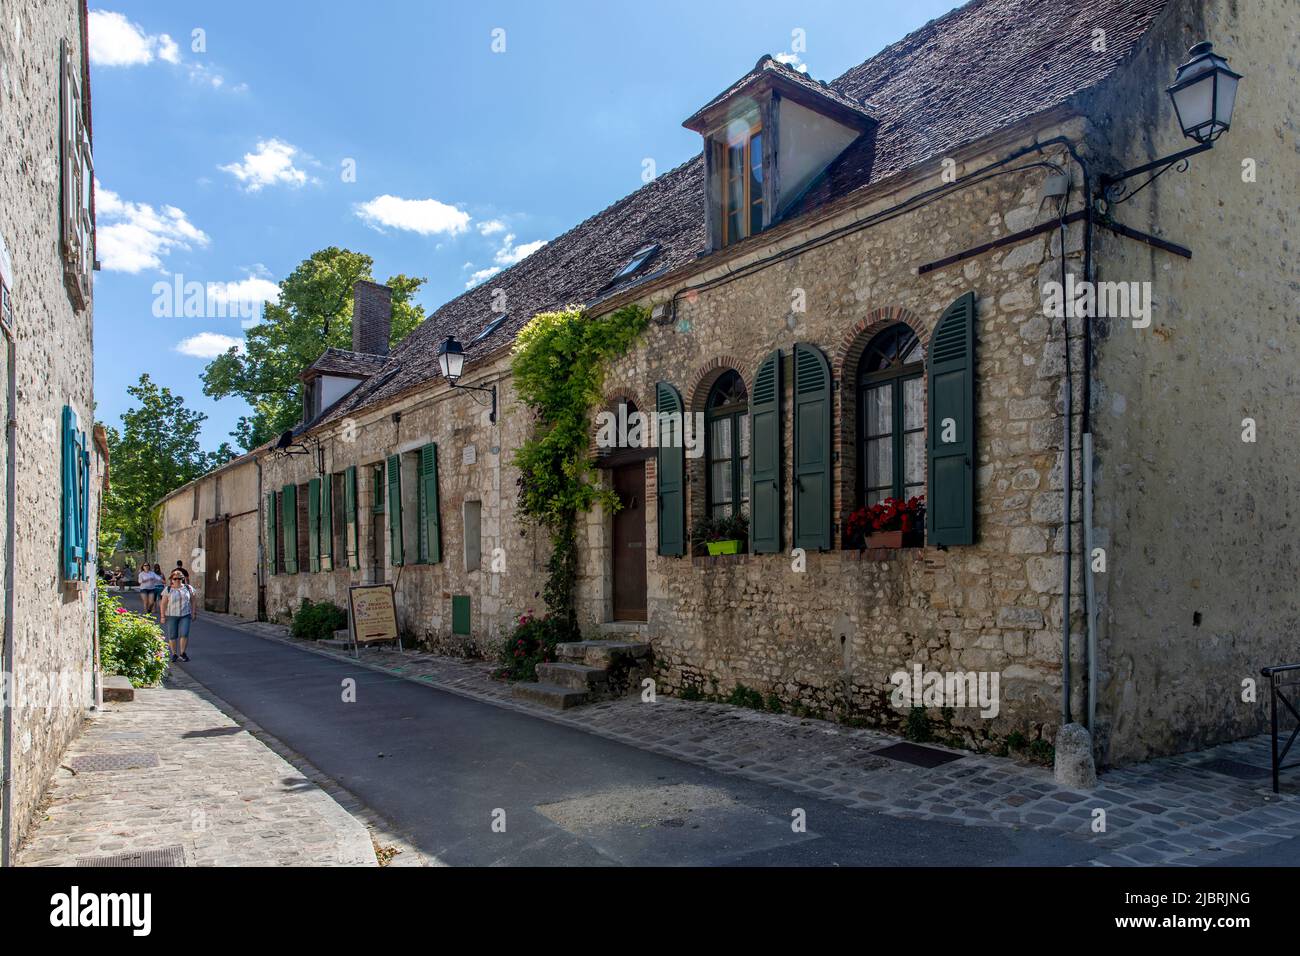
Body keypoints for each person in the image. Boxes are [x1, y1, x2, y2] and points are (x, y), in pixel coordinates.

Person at [159, 569, 197, 663]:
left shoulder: (188, 588)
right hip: (172, 615)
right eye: (175, 578)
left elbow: (193, 600)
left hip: (185, 614)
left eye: (179, 578)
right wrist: (162, 616)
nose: (177, 580)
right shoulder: (168, 590)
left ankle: (183, 653)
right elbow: (163, 604)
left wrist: (193, 612)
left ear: (182, 579)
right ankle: (174, 654)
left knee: (184, 633)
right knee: (172, 635)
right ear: (171, 579)